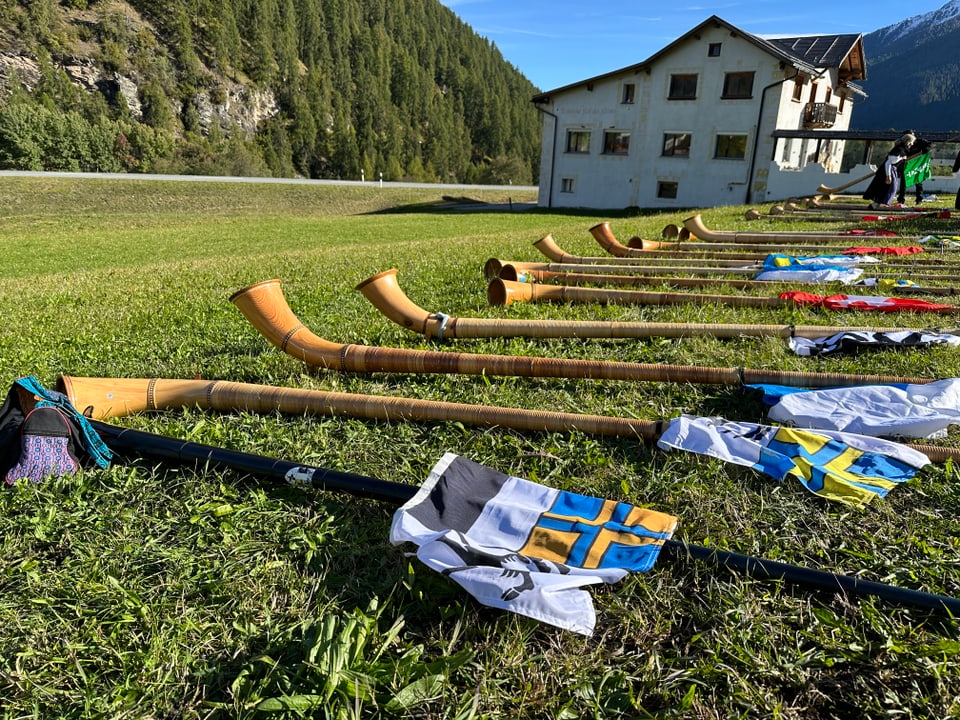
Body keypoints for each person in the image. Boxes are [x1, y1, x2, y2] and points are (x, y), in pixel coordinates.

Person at [862, 133, 913, 209]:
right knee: (886, 188)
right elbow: (889, 162)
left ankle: (875, 205)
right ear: (908, 141)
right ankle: (875, 205)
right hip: (887, 171)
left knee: (886, 188)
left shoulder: (901, 149)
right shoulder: (899, 149)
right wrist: (888, 176)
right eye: (912, 142)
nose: (912, 144)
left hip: (891, 170)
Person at [897, 134, 931, 205]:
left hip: (917, 164)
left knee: (918, 181)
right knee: (903, 182)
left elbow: (929, 145)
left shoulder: (920, 141)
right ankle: (901, 199)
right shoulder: (903, 144)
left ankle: (919, 199)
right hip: (907, 165)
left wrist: (925, 150)